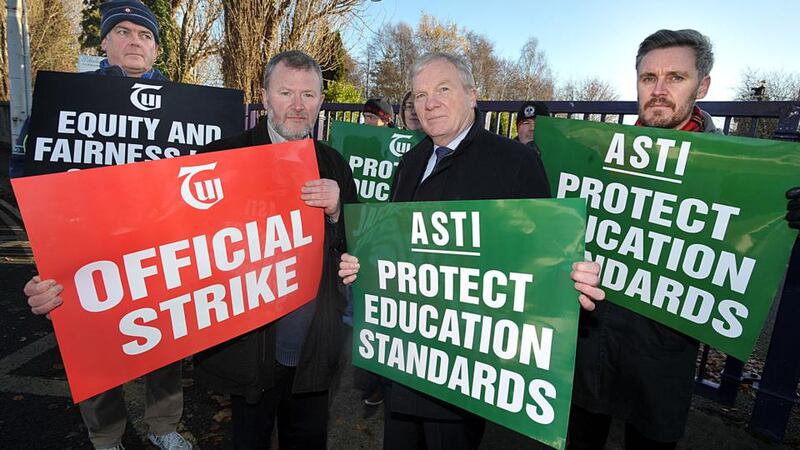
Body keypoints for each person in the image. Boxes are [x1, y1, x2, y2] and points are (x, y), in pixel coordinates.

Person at [338, 52, 605, 450]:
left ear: (472, 95)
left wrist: (568, 282)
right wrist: (365, 263)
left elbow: (539, 261)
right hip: (403, 357)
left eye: (443, 89)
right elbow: (393, 244)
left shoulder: (514, 162)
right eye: (421, 94)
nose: (430, 103)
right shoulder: (410, 162)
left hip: (460, 375)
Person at [567, 28, 800, 450]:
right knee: (579, 436)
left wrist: (787, 218)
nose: (658, 90)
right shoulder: (595, 155)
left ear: (702, 85)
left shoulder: (734, 169)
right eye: (648, 78)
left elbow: (750, 247)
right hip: (591, 332)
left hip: (664, 344)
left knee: (650, 440)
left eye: (676, 77)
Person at [21, 2, 190, 449]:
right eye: (125, 32)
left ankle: (164, 426)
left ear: (155, 50)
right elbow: (29, 169)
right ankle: (106, 435)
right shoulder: (67, 100)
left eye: (145, 36)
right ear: (105, 42)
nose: (135, 41)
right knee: (93, 344)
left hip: (158, 246)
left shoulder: (183, 108)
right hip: (87, 249)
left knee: (167, 338)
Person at [191, 50, 357, 450]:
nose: (298, 106)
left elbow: (355, 248)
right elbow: (182, 243)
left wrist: (339, 211)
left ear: (321, 101)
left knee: (308, 439)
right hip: (251, 347)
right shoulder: (222, 157)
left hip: (314, 344)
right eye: (286, 92)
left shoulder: (333, 163)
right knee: (249, 438)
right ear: (265, 97)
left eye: (309, 94)